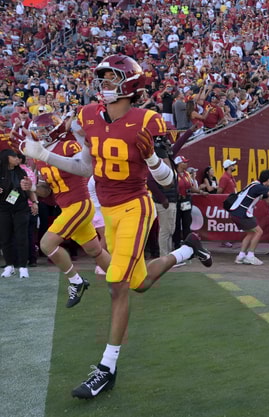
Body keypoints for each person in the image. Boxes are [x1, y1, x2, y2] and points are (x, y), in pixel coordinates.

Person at [21, 54, 213, 400]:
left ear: (129, 85)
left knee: (116, 284)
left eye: (110, 79)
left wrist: (153, 158)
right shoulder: (87, 116)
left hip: (135, 207)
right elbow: (84, 167)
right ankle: (187, 249)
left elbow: (167, 178)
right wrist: (46, 156)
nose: (104, 85)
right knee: (138, 282)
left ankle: (107, 368)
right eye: (103, 79)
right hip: (107, 210)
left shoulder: (149, 121)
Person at [29, 112, 111, 306]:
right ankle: (125, 278)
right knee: (95, 250)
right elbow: (45, 190)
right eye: (37, 132)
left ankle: (76, 281)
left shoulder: (68, 144)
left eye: (42, 131)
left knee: (47, 244)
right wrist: (31, 187)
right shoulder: (40, 155)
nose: (39, 136)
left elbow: (83, 167)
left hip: (79, 204)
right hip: (66, 207)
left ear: (53, 129)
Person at [230, 169, 269, 265]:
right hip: (242, 213)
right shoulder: (258, 187)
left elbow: (268, 200)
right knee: (259, 232)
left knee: (251, 233)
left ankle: (240, 256)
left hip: (236, 212)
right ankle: (250, 256)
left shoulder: (256, 185)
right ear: (268, 180)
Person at [0, 148, 36, 279]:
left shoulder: (22, 171)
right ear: (6, 158)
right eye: (14, 157)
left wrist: (35, 202)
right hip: (3, 208)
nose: (17, 159)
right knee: (5, 238)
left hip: (21, 207)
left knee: (22, 237)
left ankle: (22, 267)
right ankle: (9, 265)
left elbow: (30, 189)